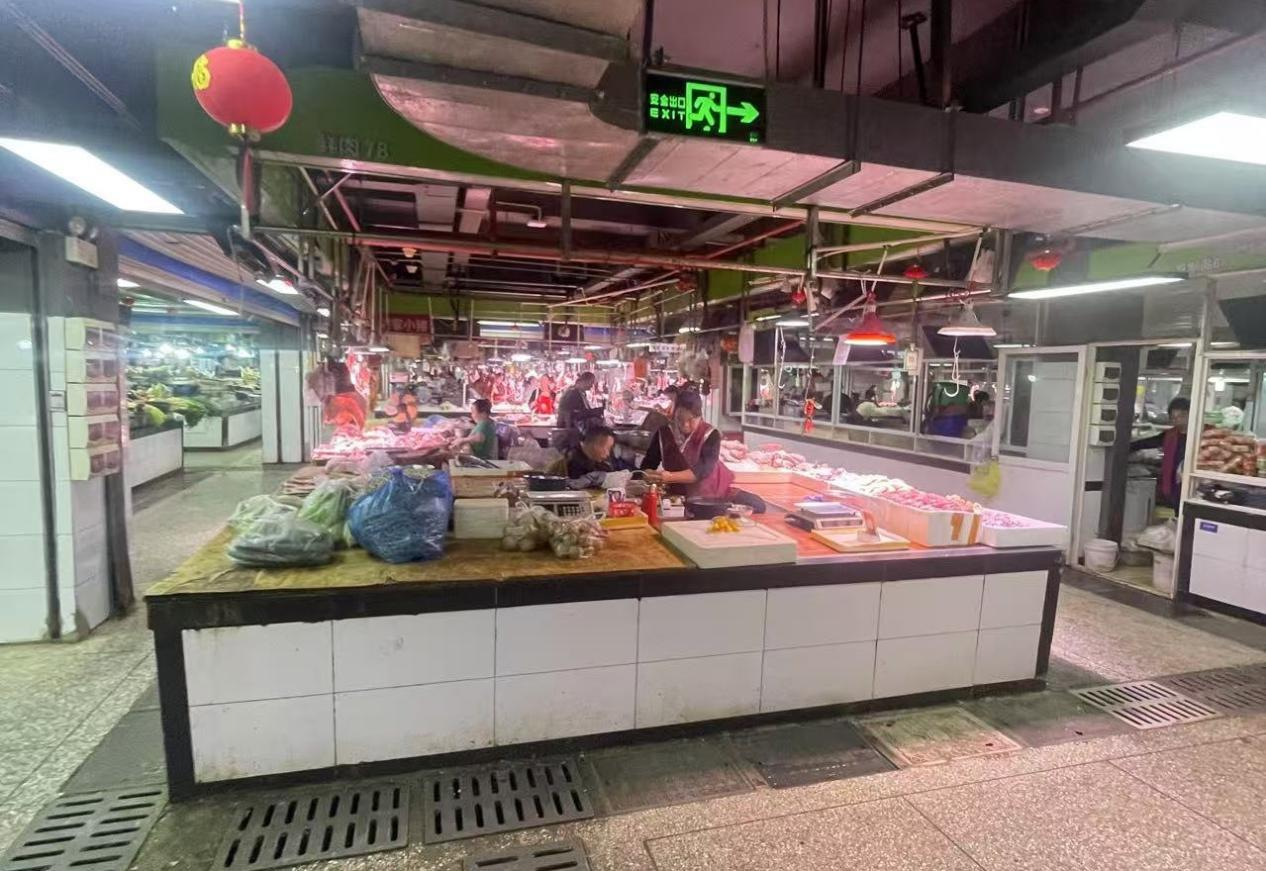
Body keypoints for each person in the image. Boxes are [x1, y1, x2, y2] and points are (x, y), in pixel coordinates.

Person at [641, 390, 765, 513]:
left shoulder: (710, 434)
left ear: (700, 417)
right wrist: (647, 474)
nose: (685, 425)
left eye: (690, 420)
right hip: (675, 493)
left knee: (758, 505)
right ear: (674, 415)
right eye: (680, 419)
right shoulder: (663, 433)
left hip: (710, 493)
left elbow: (702, 470)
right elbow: (648, 463)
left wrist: (669, 477)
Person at [1131, 396, 1190, 508]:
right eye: (1173, 417)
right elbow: (1149, 442)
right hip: (1173, 483)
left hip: (1190, 482)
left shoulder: (1202, 436)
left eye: (1181, 416)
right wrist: (1128, 447)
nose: (1177, 420)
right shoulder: (1170, 435)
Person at [548, 425, 616, 487]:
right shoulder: (570, 462)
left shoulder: (601, 464)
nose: (608, 453)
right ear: (596, 445)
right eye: (607, 448)